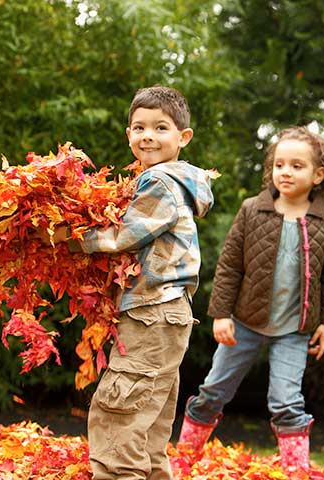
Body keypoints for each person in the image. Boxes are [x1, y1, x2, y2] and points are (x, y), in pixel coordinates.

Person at [51, 85, 215, 479]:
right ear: (128, 135)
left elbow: (124, 235)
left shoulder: (160, 182)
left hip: (153, 311)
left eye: (161, 128)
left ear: (183, 137)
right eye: (139, 127)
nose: (148, 136)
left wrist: (68, 237)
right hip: (164, 314)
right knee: (149, 419)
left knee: (118, 412)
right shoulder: (168, 181)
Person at [175, 126, 324, 473]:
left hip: (294, 330)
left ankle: (295, 471)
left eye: (297, 166)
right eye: (279, 164)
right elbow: (229, 265)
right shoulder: (252, 210)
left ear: (319, 175)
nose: (286, 172)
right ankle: (182, 461)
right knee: (213, 391)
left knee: (287, 401)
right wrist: (221, 314)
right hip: (243, 322)